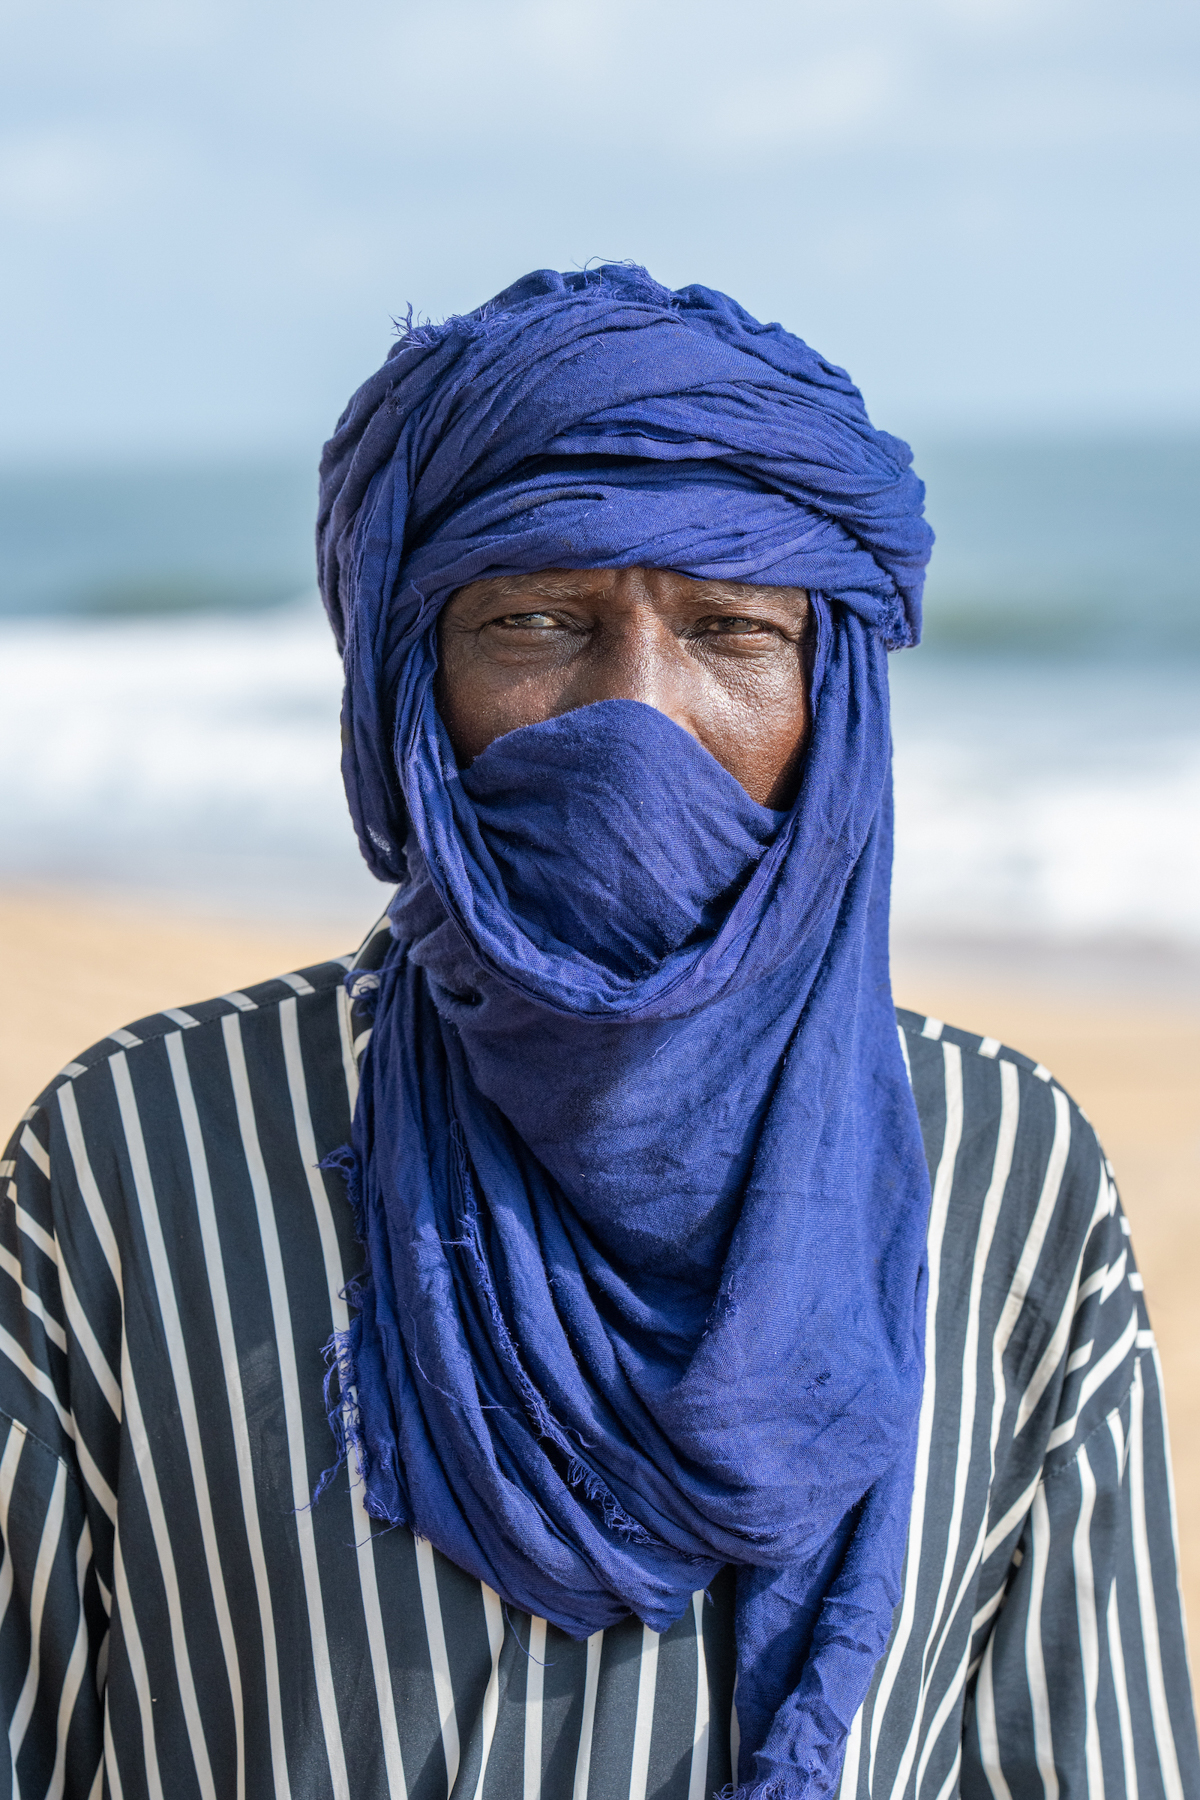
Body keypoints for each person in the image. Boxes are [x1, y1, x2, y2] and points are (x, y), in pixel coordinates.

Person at [1, 265, 1195, 1800]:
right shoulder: (136, 1159)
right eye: (538, 623)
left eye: (730, 630)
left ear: (836, 707)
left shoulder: (1009, 1179)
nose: (637, 719)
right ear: (406, 698)